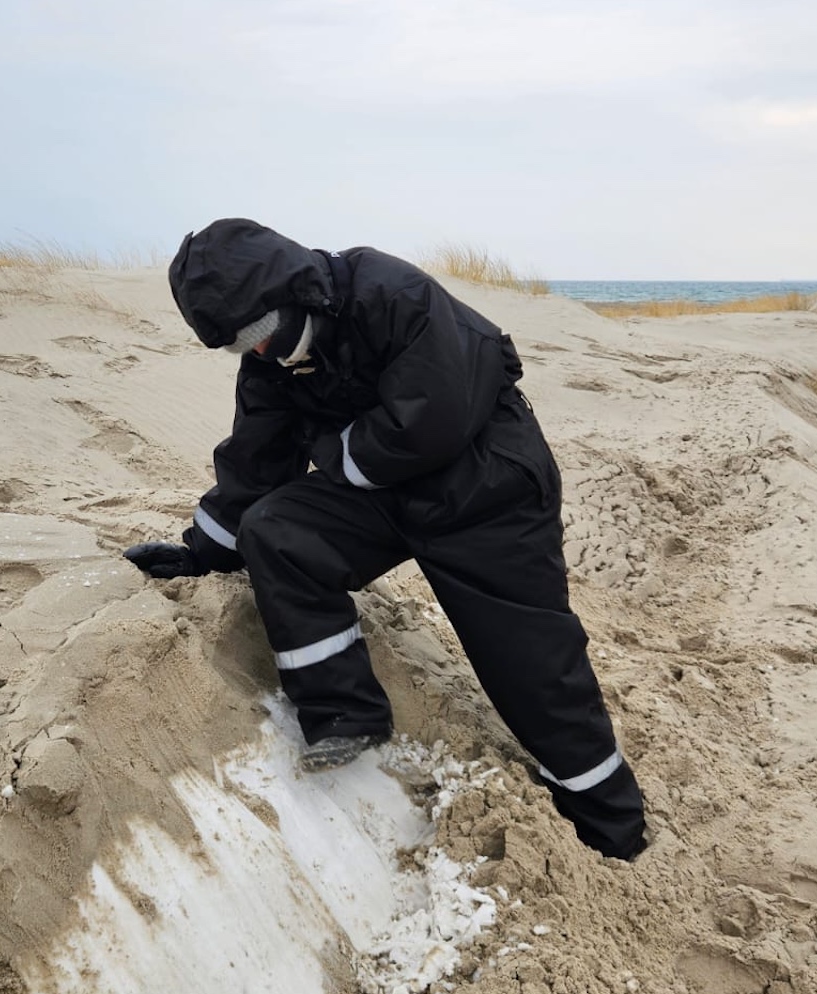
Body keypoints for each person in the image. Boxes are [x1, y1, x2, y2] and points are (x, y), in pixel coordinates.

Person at [123, 217, 646, 860]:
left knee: (533, 667)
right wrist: (203, 553)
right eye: (239, 347)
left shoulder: (391, 293)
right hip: (383, 491)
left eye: (260, 335)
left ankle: (611, 827)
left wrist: (329, 450)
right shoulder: (273, 363)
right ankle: (346, 716)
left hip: (487, 489)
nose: (257, 354)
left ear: (294, 294)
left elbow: (431, 420)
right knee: (277, 532)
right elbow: (256, 463)